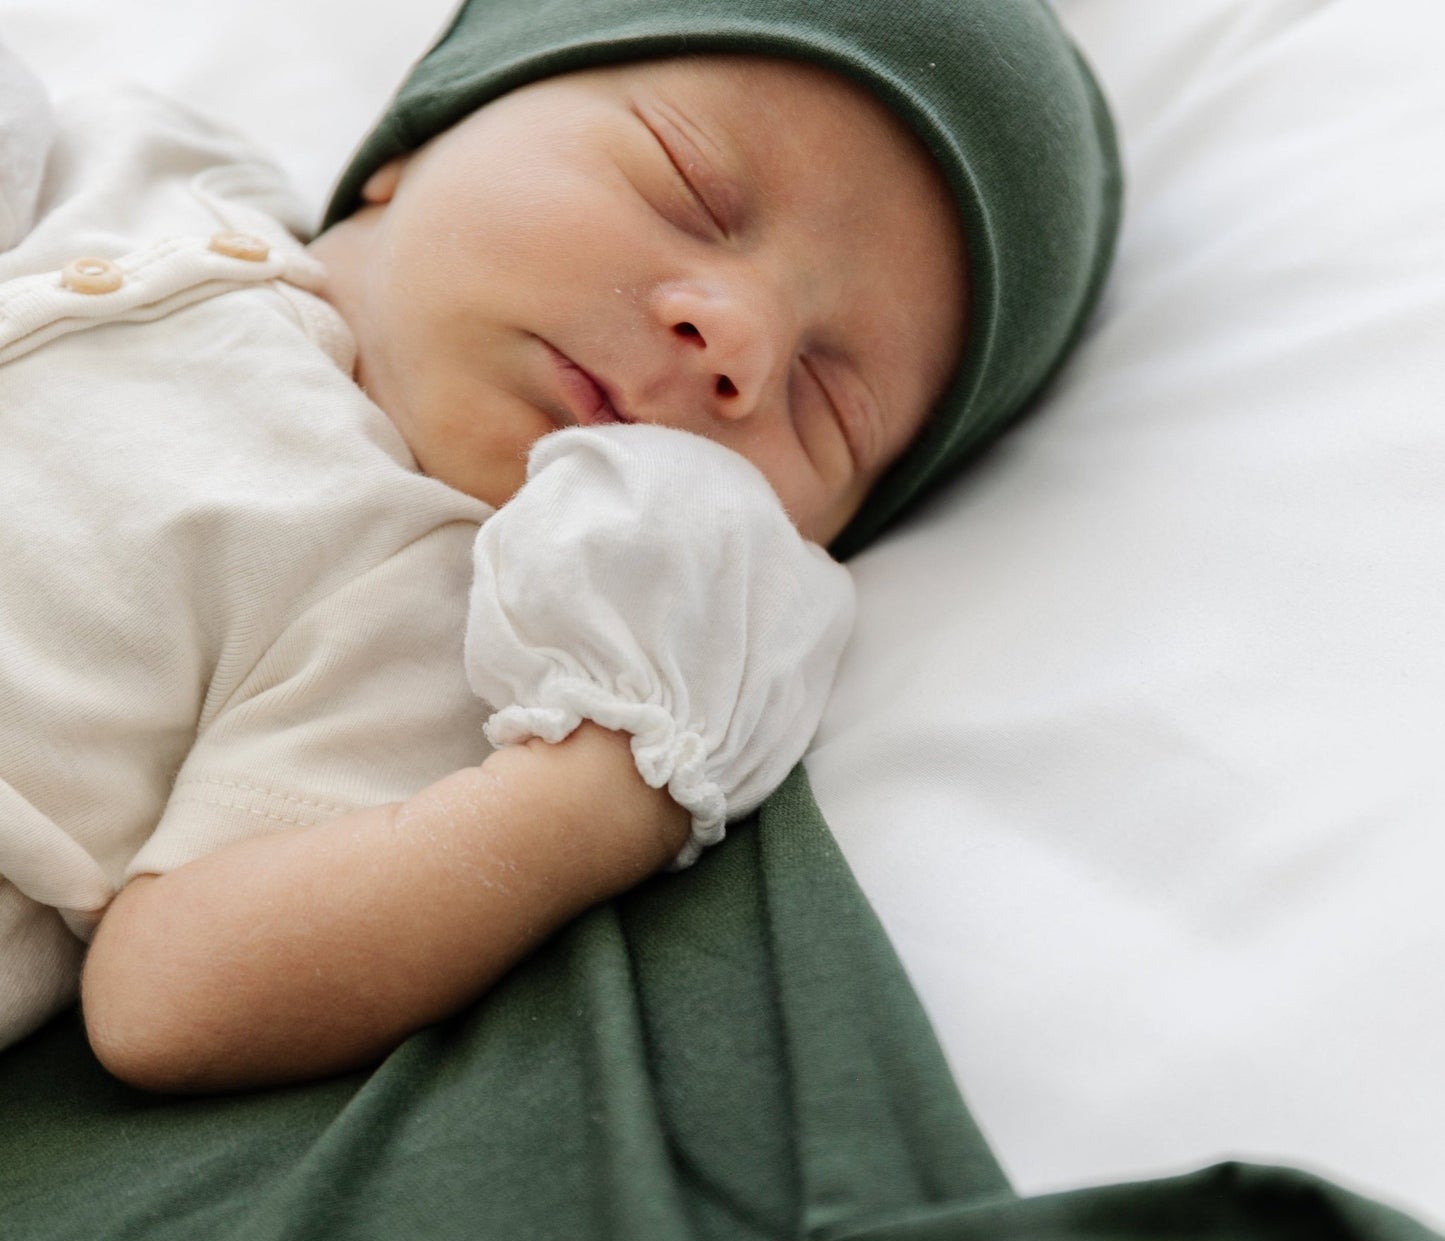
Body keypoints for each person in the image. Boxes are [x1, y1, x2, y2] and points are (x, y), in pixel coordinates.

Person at [0, 0, 1121, 1092]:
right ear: (428, 129)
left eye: (828, 399)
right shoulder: (144, 159)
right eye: (688, 189)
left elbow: (172, 995)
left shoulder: (424, 619)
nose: (738, 337)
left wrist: (594, 802)